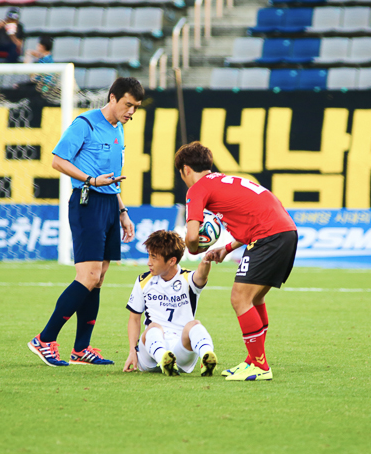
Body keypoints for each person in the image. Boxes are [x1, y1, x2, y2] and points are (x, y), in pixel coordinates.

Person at [28, 77, 142, 367]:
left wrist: (122, 211)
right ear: (113, 98)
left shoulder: (119, 129)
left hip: (109, 204)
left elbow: (112, 178)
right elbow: (57, 160)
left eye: (136, 107)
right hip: (87, 201)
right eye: (128, 104)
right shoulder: (85, 124)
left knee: (98, 278)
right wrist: (90, 179)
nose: (131, 111)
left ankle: (81, 348)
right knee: (88, 276)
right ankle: (44, 338)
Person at [175, 142, 298, 382]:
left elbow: (191, 237)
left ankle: (260, 365)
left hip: (268, 237)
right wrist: (226, 248)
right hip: (284, 232)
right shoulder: (225, 180)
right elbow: (255, 215)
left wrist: (195, 247)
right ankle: (253, 360)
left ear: (186, 169)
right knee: (254, 298)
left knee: (239, 298)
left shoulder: (198, 189)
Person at [123, 230, 218, 377]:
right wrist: (132, 351)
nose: (149, 262)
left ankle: (207, 356)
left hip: (181, 349)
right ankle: (164, 359)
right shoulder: (143, 281)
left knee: (194, 325)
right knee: (153, 327)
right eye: (149, 256)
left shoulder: (187, 279)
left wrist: (206, 261)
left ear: (172, 261)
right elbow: (134, 318)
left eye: (154, 257)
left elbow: (201, 275)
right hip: (150, 352)